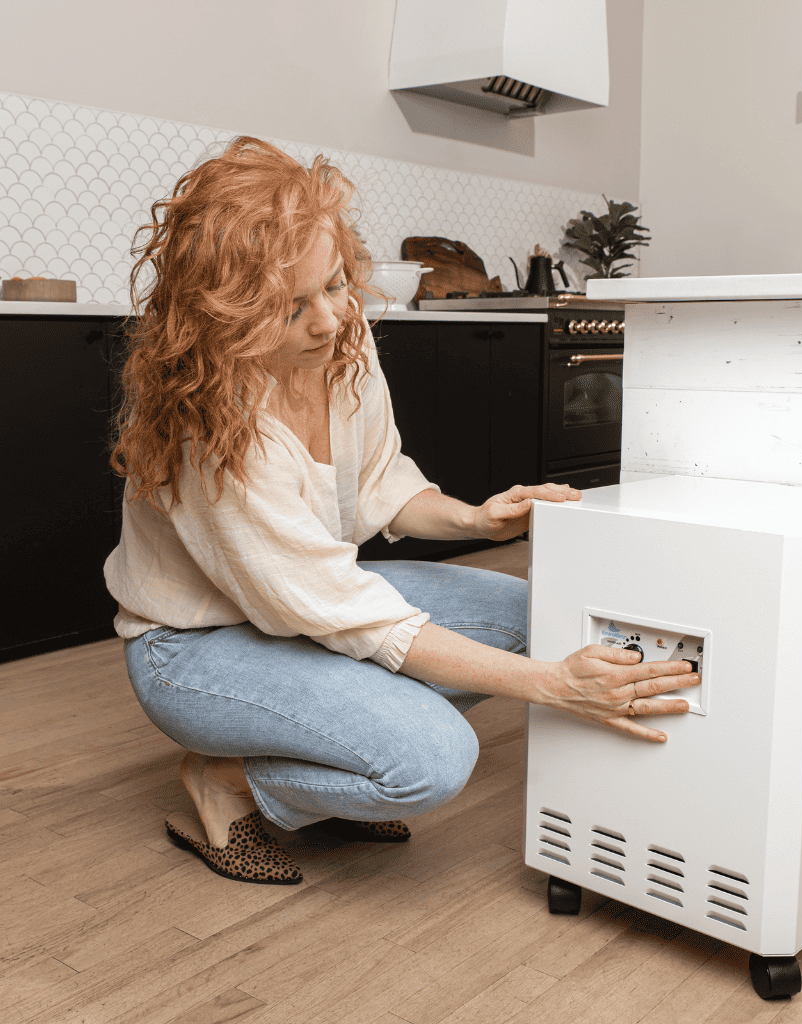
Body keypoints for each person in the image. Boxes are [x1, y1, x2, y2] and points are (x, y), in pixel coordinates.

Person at [105, 137, 698, 886]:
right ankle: (226, 781)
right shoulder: (215, 428)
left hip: (307, 606)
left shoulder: (340, 346)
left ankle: (332, 747)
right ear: (227, 315)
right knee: (430, 760)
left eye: (334, 284)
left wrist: (478, 521)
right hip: (194, 650)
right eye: (291, 308)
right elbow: (350, 614)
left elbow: (382, 481)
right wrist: (555, 686)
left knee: (529, 613)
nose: (328, 320)